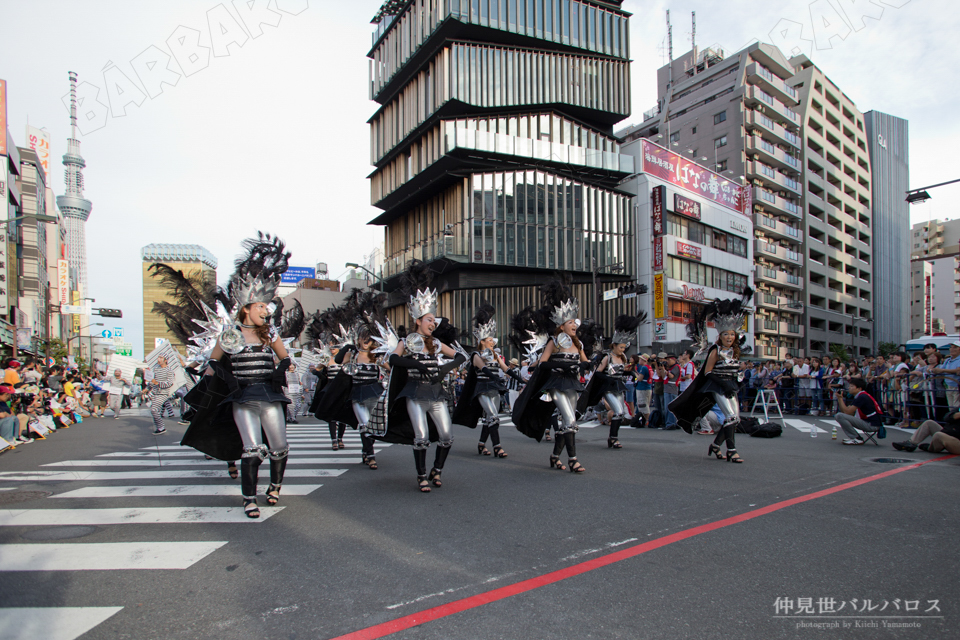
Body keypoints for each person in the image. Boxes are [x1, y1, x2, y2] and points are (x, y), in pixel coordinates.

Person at [181, 232, 295, 518]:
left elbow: (285, 358)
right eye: (259, 306)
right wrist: (224, 378)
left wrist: (282, 369)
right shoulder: (230, 334)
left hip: (269, 396)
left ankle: (275, 486)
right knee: (253, 450)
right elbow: (214, 362)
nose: (265, 311)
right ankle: (249, 499)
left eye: (266, 307)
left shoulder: (270, 334)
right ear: (246, 307)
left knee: (279, 448)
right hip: (242, 397)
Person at [376, 260, 465, 492]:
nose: (433, 323)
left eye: (434, 320)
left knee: (447, 436)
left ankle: (437, 469)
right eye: (429, 319)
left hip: (436, 393)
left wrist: (445, 368)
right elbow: (392, 360)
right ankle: (421, 475)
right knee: (421, 437)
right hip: (415, 393)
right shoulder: (407, 342)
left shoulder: (436, 342)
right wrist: (415, 364)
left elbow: (461, 357)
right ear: (418, 320)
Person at [512, 279, 590, 473]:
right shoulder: (554, 342)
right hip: (555, 383)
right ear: (561, 326)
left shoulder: (577, 342)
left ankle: (555, 456)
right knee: (570, 421)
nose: (574, 325)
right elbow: (544, 362)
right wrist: (560, 363)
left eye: (575, 321)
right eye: (570, 322)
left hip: (572, 383)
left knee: (568, 422)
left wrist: (590, 363)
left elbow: (585, 361)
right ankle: (573, 459)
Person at [669, 288, 753, 463]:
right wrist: (724, 385)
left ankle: (715, 445)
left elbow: (735, 370)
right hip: (717, 385)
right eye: (726, 334)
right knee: (730, 417)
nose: (729, 337)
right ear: (720, 335)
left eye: (732, 334)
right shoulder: (716, 349)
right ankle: (732, 450)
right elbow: (707, 371)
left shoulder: (735, 351)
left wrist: (738, 380)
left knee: (734, 419)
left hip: (730, 386)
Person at [453, 304, 522, 458]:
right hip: (482, 389)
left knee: (489, 419)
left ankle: (481, 444)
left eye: (493, 339)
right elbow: (484, 369)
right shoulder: (476, 355)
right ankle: (497, 446)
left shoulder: (496, 355)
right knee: (493, 417)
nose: (493, 342)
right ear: (483, 341)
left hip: (494, 388)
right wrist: (496, 377)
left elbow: (506, 369)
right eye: (490, 340)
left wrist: (521, 379)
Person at [579, 314, 645, 449]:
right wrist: (607, 378)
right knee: (619, 411)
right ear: (614, 345)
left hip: (618, 387)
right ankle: (613, 438)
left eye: (624, 348)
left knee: (620, 414)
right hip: (607, 388)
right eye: (620, 347)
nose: (623, 350)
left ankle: (613, 438)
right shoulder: (607, 357)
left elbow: (620, 372)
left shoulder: (624, 358)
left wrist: (631, 373)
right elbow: (598, 373)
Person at [834, 377, 883, 445]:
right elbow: (846, 411)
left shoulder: (862, 397)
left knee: (839, 416)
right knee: (840, 415)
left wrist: (840, 399)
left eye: (851, 386)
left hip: (872, 425)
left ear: (859, 388)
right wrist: (840, 399)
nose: (849, 388)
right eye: (849, 386)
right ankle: (855, 437)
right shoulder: (860, 396)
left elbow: (847, 412)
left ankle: (856, 438)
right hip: (871, 423)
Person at [892, 409, 960, 452]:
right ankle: (911, 442)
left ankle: (930, 448)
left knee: (938, 435)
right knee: (929, 423)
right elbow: (946, 417)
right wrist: (956, 415)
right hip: (949, 433)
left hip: (957, 442)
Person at [149, 356, 176, 435]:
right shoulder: (155, 369)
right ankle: (159, 427)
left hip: (163, 393)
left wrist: (158, 383)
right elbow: (152, 381)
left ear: (165, 360)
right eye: (158, 358)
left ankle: (161, 428)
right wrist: (148, 387)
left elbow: (170, 383)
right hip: (154, 392)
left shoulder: (169, 370)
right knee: (155, 411)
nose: (158, 360)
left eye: (161, 358)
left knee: (154, 409)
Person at [933, 341, 960, 411]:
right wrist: (934, 370)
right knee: (951, 408)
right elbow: (940, 370)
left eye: (955, 347)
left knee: (956, 407)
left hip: (957, 386)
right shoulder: (948, 360)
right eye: (951, 347)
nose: (952, 349)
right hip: (948, 386)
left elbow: (958, 371)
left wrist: (943, 371)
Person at [661, 354, 680, 430]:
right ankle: (671, 423)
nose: (667, 362)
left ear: (674, 360)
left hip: (671, 389)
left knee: (669, 407)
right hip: (668, 389)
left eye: (669, 360)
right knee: (668, 407)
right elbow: (663, 377)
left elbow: (671, 376)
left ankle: (670, 423)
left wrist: (665, 370)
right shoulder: (670, 367)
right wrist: (662, 369)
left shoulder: (676, 367)